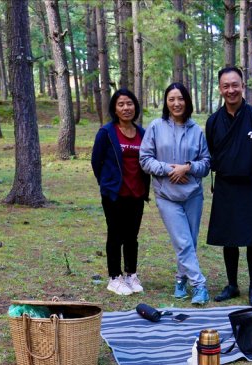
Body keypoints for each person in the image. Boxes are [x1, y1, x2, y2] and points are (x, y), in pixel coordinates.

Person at [140, 82, 212, 305]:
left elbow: (206, 163)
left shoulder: (196, 130)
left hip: (193, 195)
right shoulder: (155, 127)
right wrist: (169, 169)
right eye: (171, 99)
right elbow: (145, 159)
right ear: (166, 102)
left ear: (187, 101)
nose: (176, 103)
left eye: (180, 98)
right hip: (166, 194)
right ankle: (199, 285)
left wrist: (188, 167)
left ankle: (181, 279)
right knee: (182, 241)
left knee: (189, 240)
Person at [205, 66, 252, 307]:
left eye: (235, 85)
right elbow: (212, 153)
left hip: (250, 185)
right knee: (229, 238)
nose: (231, 90)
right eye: (226, 86)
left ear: (243, 86)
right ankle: (232, 284)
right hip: (224, 185)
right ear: (220, 89)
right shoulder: (213, 121)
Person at [91, 88, 151, 296]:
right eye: (121, 104)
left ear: (135, 106)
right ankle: (114, 277)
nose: (126, 108)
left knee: (132, 236)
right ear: (115, 109)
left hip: (137, 193)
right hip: (115, 194)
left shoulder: (142, 133)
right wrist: (107, 184)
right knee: (115, 235)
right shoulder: (107, 133)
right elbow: (96, 162)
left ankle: (131, 275)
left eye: (129, 104)